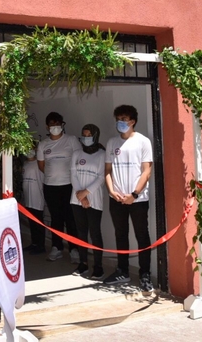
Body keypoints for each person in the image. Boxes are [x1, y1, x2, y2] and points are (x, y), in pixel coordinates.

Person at [103, 104, 154, 292]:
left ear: (133, 121)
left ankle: (145, 274)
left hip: (137, 200)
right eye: (118, 119)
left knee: (142, 236)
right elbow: (107, 171)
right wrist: (111, 191)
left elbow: (147, 171)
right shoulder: (112, 143)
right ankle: (122, 271)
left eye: (124, 119)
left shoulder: (143, 142)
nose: (120, 123)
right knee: (120, 234)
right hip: (117, 199)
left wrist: (134, 194)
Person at [37, 111, 83, 263]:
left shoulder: (71, 140)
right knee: (56, 218)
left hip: (69, 186)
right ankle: (56, 247)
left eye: (58, 124)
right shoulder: (43, 144)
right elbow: (41, 166)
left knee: (71, 218)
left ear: (62, 125)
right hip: (50, 186)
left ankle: (74, 249)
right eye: (52, 125)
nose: (55, 127)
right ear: (47, 127)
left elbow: (79, 160)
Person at [70, 124, 106, 279]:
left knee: (95, 233)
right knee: (81, 232)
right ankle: (83, 263)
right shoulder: (76, 153)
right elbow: (73, 174)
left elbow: (102, 176)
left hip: (94, 200)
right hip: (77, 199)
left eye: (89, 135)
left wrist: (86, 193)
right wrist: (81, 196)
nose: (86, 138)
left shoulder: (102, 154)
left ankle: (98, 266)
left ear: (96, 136)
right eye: (83, 135)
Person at [22, 144, 46, 255]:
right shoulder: (25, 164)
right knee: (31, 222)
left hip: (37, 197)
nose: (29, 151)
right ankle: (34, 243)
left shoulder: (39, 164)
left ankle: (41, 245)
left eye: (31, 149)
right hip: (28, 198)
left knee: (38, 222)